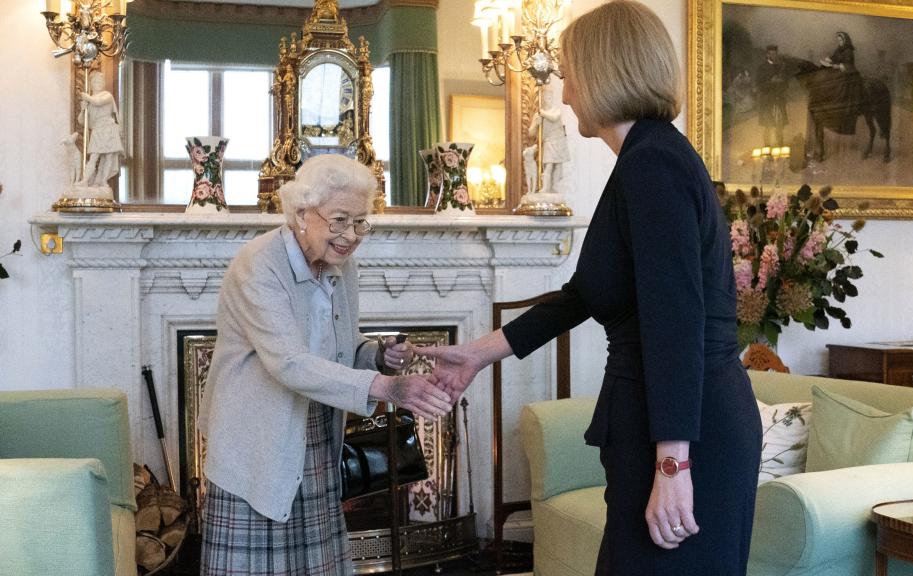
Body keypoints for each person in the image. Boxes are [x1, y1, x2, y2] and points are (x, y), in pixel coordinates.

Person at [417, 2, 761, 574]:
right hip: (662, 428)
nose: (567, 91)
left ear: (605, 73)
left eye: (570, 73)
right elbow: (585, 294)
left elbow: (675, 322)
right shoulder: (643, 159)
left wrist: (674, 466)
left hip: (685, 435)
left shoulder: (653, 164)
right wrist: (477, 354)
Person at [198, 154, 452, 576]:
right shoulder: (257, 266)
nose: (350, 235)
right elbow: (290, 362)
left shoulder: (341, 267)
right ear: (301, 213)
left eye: (360, 222)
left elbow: (340, 346)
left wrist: (377, 355)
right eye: (339, 220)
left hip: (314, 434)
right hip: (258, 442)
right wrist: (386, 388)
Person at [78, 71, 123, 188]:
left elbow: (98, 102)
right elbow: (82, 122)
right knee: (94, 156)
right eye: (95, 81)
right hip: (97, 129)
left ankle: (103, 180)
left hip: (108, 128)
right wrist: (83, 110)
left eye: (100, 81)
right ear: (91, 84)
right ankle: (85, 180)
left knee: (109, 156)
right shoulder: (89, 101)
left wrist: (87, 98)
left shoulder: (107, 96)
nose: (98, 83)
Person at [817, 31, 864, 135]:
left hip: (849, 75)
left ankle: (840, 107)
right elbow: (834, 57)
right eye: (838, 40)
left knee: (840, 87)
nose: (839, 42)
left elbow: (849, 64)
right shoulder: (839, 49)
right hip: (839, 72)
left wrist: (837, 66)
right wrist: (827, 60)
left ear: (845, 40)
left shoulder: (848, 51)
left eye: (840, 40)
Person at [756, 45, 789, 147]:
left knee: (779, 127)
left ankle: (780, 148)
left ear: (777, 54)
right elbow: (759, 85)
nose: (773, 55)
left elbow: (786, 85)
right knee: (768, 127)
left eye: (774, 53)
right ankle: (767, 149)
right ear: (767, 55)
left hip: (778, 101)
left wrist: (782, 82)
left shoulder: (781, 67)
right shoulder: (761, 68)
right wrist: (771, 82)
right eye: (770, 53)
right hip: (767, 102)